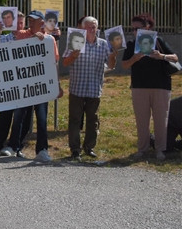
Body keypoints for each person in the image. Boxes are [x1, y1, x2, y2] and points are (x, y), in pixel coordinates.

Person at [0, 10, 61, 163]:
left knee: (41, 118)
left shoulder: (49, 40)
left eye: (34, 20)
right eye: (30, 20)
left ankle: (42, 150)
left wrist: (57, 84)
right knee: (19, 116)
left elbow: (53, 63)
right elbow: (10, 43)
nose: (31, 23)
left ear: (42, 22)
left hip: (41, 85)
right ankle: (13, 146)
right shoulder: (21, 34)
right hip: (23, 85)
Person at [122, 13, 177, 160]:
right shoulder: (131, 45)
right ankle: (142, 149)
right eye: (132, 29)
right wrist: (135, 57)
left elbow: (175, 58)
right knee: (142, 120)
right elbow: (125, 64)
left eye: (137, 28)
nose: (134, 32)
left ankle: (160, 149)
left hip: (161, 86)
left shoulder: (159, 41)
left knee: (161, 120)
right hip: (139, 86)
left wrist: (162, 56)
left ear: (148, 27)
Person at [62, 16, 116, 159]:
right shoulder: (75, 42)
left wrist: (113, 55)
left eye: (94, 27)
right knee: (75, 120)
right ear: (82, 28)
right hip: (77, 89)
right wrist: (73, 56)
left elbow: (111, 66)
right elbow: (65, 63)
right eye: (89, 27)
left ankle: (89, 147)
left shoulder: (104, 44)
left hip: (94, 89)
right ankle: (75, 149)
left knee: (93, 121)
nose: (92, 29)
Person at [0, 11, 30, 154]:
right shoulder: (4, 38)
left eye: (21, 22)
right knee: (5, 115)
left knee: (25, 117)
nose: (19, 26)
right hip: (8, 83)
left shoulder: (30, 38)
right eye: (16, 22)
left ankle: (17, 145)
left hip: (26, 83)